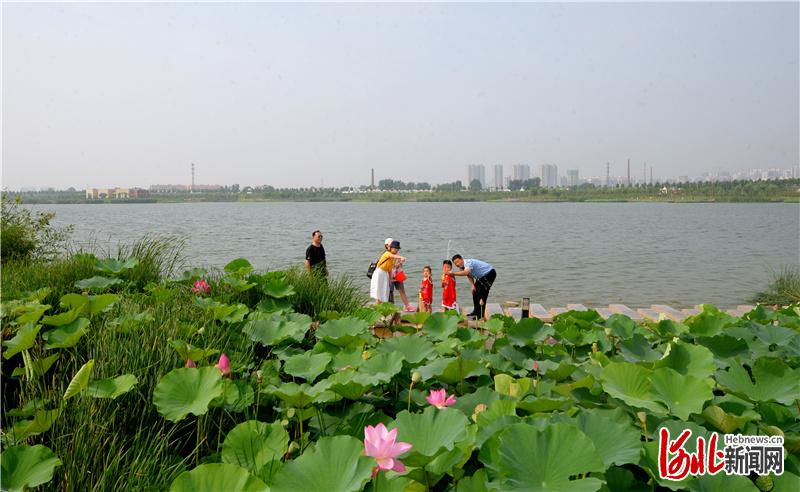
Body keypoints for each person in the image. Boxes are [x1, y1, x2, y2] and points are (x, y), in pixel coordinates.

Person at [450, 254, 496, 320]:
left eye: (457, 261)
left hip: (489, 274)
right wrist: (472, 285)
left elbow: (465, 272)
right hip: (481, 277)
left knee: (482, 294)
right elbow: (469, 275)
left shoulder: (468, 263)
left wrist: (453, 273)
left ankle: (480, 315)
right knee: (474, 292)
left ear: (461, 259)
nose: (457, 264)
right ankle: (476, 311)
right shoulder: (461, 267)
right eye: (455, 263)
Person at [384, 238, 415, 312]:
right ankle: (391, 308)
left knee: (402, 290)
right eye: (389, 245)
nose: (394, 248)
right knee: (389, 292)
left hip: (397, 275)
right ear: (387, 246)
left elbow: (399, 264)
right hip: (389, 276)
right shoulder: (386, 254)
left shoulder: (396, 254)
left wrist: (400, 264)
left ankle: (407, 306)